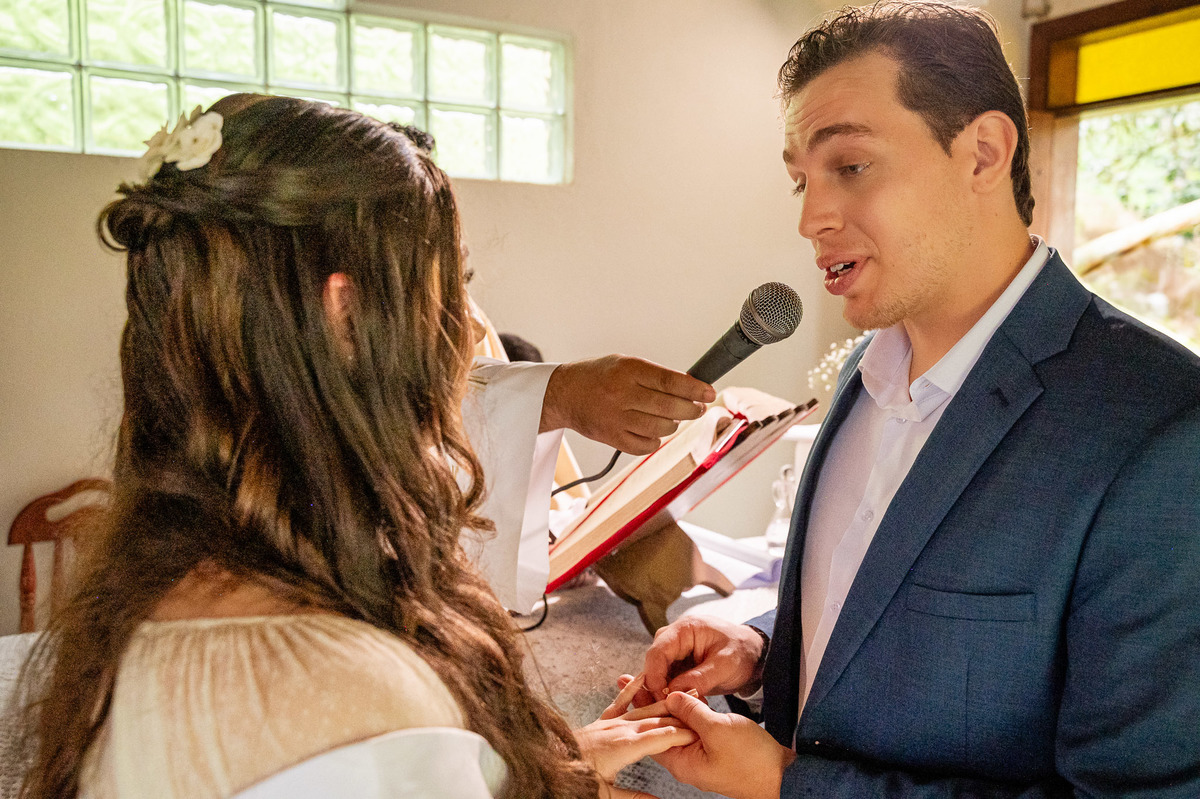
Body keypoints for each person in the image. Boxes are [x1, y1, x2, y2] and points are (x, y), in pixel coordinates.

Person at [16, 93, 694, 799]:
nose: (469, 332)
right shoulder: (350, 695)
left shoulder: (148, 599)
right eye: (451, 288)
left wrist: (547, 773)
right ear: (346, 313)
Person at [636, 2, 1200, 797]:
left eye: (851, 166)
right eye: (801, 180)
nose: (809, 217)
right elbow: (873, 611)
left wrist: (794, 784)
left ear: (983, 152)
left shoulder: (1161, 430)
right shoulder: (863, 374)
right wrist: (760, 650)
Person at [388, 122, 715, 613]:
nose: (473, 325)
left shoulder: (469, 322)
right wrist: (558, 394)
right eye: (444, 283)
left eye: (465, 278)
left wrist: (557, 395)